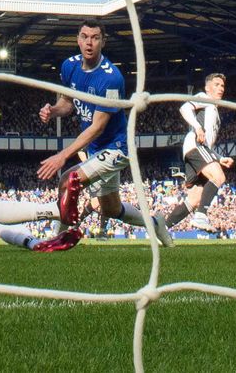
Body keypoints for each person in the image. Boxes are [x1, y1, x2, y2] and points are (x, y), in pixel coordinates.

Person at [36, 19, 172, 248]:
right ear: (78, 39)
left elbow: (98, 126)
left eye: (95, 37)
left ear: (103, 41)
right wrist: (53, 110)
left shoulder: (111, 78)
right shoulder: (69, 66)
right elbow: (68, 103)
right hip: (96, 149)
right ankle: (155, 223)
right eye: (84, 36)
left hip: (116, 148)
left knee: (67, 179)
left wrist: (62, 155)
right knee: (111, 208)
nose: (89, 42)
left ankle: (55, 238)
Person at [160, 73, 234, 232]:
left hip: (199, 149)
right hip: (194, 145)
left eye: (222, 86)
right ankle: (201, 216)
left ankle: (162, 229)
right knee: (219, 177)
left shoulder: (214, 111)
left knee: (194, 199)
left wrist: (219, 158)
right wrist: (197, 127)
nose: (220, 88)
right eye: (216, 84)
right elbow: (185, 107)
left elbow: (208, 144)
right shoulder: (204, 98)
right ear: (207, 88)